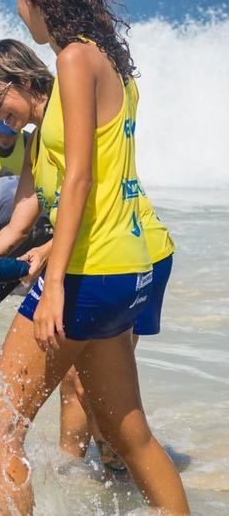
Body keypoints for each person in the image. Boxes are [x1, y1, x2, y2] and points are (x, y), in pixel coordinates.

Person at [0, 0, 188, 511]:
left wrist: (53, 280)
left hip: (89, 271)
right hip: (123, 270)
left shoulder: (74, 58)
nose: (19, 7)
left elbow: (80, 179)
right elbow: (49, 198)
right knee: (129, 436)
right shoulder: (108, 62)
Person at [58, 189, 175, 471]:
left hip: (134, 254)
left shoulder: (78, 146)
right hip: (100, 249)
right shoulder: (38, 153)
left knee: (90, 379)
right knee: (73, 377)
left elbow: (97, 213)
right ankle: (69, 467)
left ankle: (120, 469)